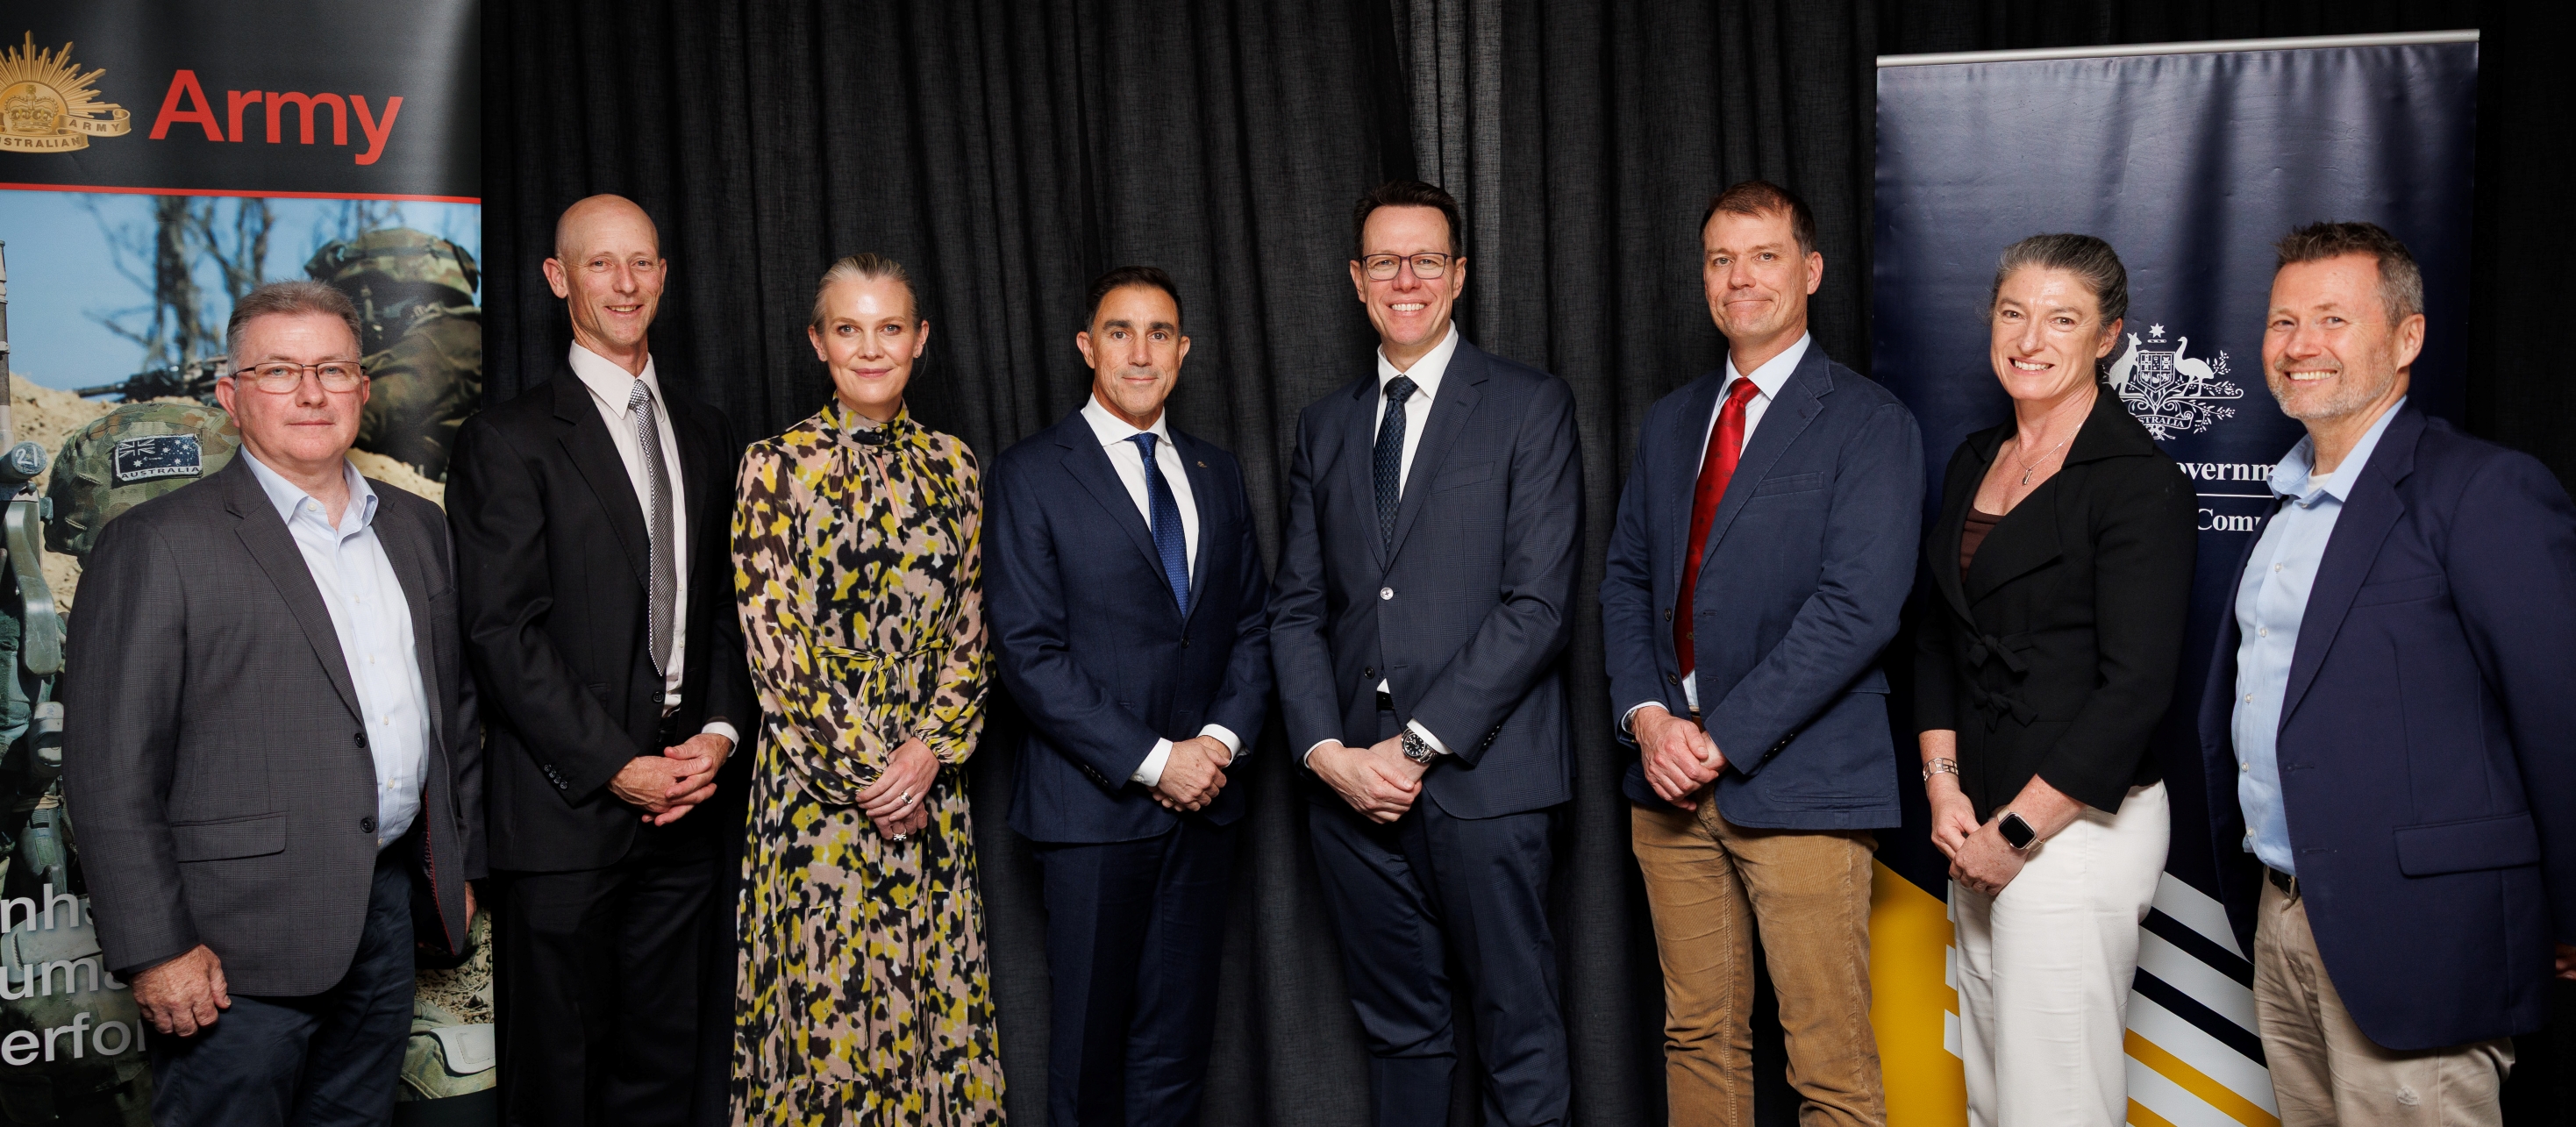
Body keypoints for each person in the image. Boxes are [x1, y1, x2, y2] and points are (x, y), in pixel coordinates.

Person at [62, 280, 482, 1125]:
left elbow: (456, 712)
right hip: (228, 948)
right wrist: (156, 948)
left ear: (363, 387)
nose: (311, 392)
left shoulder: (417, 526)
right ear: (231, 394)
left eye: (332, 368)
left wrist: (462, 869)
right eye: (280, 370)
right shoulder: (157, 542)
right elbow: (109, 770)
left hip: (385, 912)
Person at [2198, 221, 2576, 1126]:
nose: (2301, 344)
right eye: (2283, 321)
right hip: (2285, 912)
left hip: (2420, 933)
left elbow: (2559, 712)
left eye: (2333, 318)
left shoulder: (2481, 490)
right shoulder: (2288, 506)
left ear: (2407, 338)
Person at [1599, 180, 1920, 1127]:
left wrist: (1719, 736)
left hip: (1802, 783)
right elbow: (1627, 580)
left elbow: (1858, 609)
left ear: (1809, 271)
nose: (1740, 278)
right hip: (1667, 785)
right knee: (1696, 1038)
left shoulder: (1869, 422)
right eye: (1720, 259)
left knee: (1828, 1061)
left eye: (1764, 256)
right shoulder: (1672, 421)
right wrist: (1649, 720)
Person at [1269, 180, 1582, 1127]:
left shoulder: (1529, 404)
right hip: (1348, 792)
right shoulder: (1324, 426)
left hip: (1485, 781)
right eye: (1385, 262)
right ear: (1356, 278)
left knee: (1517, 1032)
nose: (1406, 280)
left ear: (1459, 274)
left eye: (1426, 260)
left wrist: (1411, 749)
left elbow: (1538, 606)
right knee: (1400, 1037)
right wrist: (1327, 754)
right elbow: (1296, 609)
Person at [447, 195, 753, 1127]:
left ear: (663, 275)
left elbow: (727, 605)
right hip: (566, 816)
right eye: (599, 264)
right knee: (558, 1083)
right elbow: (501, 632)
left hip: (687, 812)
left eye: (642, 263)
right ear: (557, 278)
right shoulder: (508, 438)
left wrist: (717, 732)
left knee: (663, 1073)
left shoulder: (706, 430)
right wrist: (616, 764)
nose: (625, 284)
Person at [1913, 234, 2196, 1125]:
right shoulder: (1973, 458)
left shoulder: (2138, 482)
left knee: (2056, 1104)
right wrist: (1945, 791)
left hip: (2070, 829)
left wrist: (2017, 829)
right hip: (1974, 821)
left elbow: (2135, 689)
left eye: (2062, 319)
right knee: (1995, 1098)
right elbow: (1937, 636)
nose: (2029, 338)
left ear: (2108, 336)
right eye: (2013, 312)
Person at [988, 266, 1272, 1126]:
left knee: (1175, 1056)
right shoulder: (1030, 473)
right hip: (1092, 814)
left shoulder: (1217, 471)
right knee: (1087, 1056)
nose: (1140, 352)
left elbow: (1252, 624)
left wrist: (1216, 745)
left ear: (1183, 351)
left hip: (1205, 809)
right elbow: (1029, 653)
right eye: (1120, 331)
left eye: (1159, 334)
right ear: (1087, 346)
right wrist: (1155, 761)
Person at [731, 253, 1004, 1123]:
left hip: (930, 791)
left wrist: (926, 754)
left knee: (931, 1013)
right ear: (819, 342)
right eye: (849, 328)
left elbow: (973, 631)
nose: (871, 348)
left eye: (890, 328)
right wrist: (874, 774)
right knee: (831, 1028)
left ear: (920, 340)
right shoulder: (775, 466)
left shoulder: (956, 466)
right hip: (818, 800)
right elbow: (775, 642)